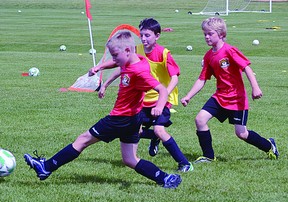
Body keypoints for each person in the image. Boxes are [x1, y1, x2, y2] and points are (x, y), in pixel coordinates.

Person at [24, 31, 182, 189]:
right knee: (130, 159)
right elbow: (118, 64)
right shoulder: (137, 59)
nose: (113, 59)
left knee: (83, 140)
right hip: (133, 118)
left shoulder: (138, 71)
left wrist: (160, 106)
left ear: (128, 50)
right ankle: (165, 178)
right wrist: (99, 67)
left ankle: (46, 167)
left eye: (115, 55)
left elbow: (161, 89)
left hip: (119, 119)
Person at [97, 18, 192, 172]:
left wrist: (164, 95)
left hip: (161, 100)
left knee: (159, 130)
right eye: (141, 35)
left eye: (147, 35)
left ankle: (184, 163)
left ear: (157, 36)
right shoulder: (136, 50)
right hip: (141, 102)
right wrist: (105, 84)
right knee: (137, 131)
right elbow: (121, 67)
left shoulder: (163, 53)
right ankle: (154, 138)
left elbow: (174, 77)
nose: (143, 38)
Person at [181, 17, 279, 163]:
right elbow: (202, 79)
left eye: (210, 34)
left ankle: (269, 146)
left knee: (241, 133)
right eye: (205, 34)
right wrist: (188, 96)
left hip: (236, 99)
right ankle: (208, 156)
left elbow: (246, 67)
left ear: (221, 34)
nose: (206, 37)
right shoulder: (208, 56)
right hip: (220, 97)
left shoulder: (229, 50)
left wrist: (255, 87)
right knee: (200, 119)